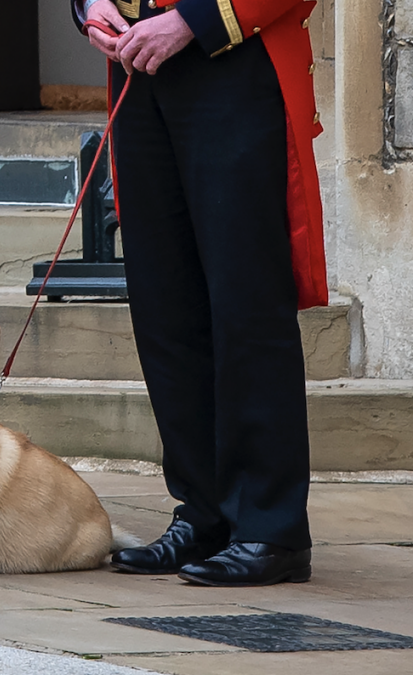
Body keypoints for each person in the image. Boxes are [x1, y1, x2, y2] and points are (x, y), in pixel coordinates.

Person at [74, 0, 327, 586]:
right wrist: (93, 6)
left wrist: (193, 21)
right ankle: (204, 513)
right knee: (167, 306)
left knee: (246, 303)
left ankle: (270, 527)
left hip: (235, 62)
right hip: (139, 68)